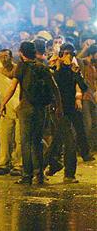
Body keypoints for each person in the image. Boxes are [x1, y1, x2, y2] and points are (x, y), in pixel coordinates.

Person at [0, 41, 62, 185]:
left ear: (22, 53)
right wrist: (59, 107)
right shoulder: (43, 67)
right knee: (37, 141)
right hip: (41, 109)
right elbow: (55, 88)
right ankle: (39, 174)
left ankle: (27, 175)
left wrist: (3, 103)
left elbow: (13, 87)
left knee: (26, 142)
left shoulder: (21, 67)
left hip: (26, 109)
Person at [45, 43, 88, 183]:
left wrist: (77, 73)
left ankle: (42, 167)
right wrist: (59, 66)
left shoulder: (73, 69)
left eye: (71, 54)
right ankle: (69, 174)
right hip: (58, 109)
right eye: (66, 54)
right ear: (61, 54)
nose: (68, 57)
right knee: (69, 141)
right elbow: (53, 86)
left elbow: (84, 87)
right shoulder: (55, 67)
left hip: (70, 109)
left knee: (57, 140)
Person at [0, 49, 22, 176]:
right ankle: (4, 164)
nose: (4, 59)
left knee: (19, 138)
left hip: (19, 108)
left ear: (11, 57)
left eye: (6, 57)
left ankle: (19, 164)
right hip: (6, 109)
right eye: (1, 57)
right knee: (5, 138)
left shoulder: (19, 70)